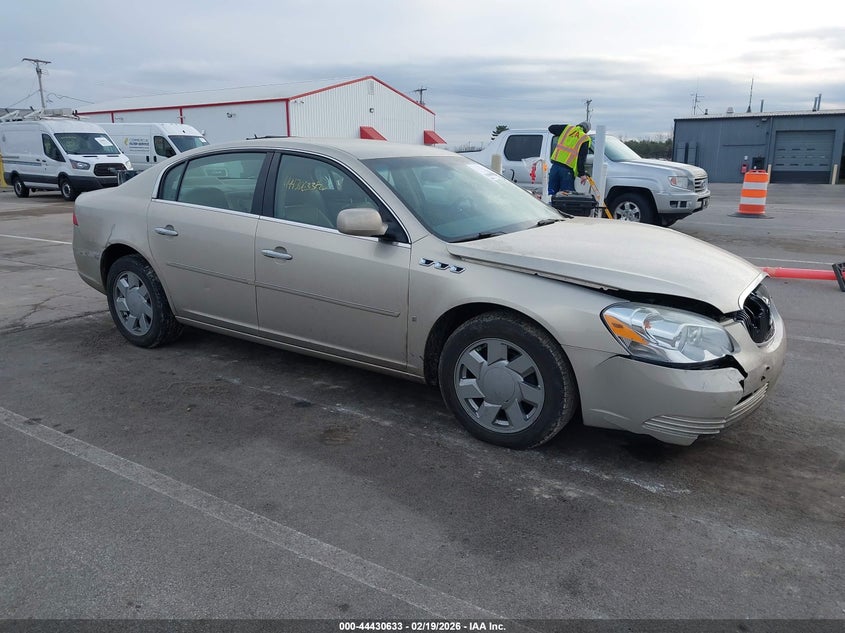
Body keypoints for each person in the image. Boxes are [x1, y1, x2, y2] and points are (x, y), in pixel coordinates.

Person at [547, 121, 592, 196]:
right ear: (586, 130)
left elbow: (551, 128)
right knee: (567, 196)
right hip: (567, 170)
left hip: (555, 167)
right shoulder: (585, 138)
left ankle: (549, 207)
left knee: (551, 194)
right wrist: (582, 174)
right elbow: (581, 158)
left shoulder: (567, 129)